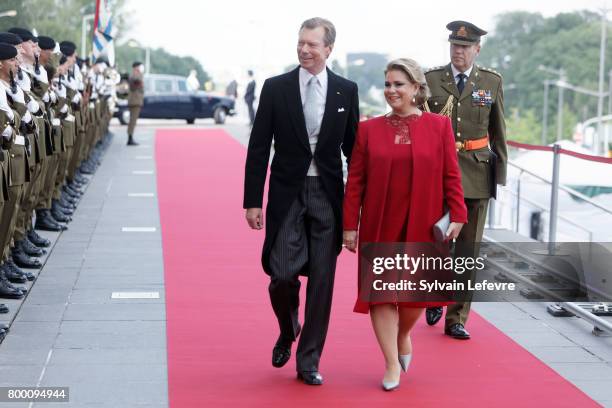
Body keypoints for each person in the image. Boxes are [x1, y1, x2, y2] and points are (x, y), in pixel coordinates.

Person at [243, 17, 359, 386]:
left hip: (328, 195)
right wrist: (252, 200)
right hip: (286, 193)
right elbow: (259, 146)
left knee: (322, 283)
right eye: (301, 43)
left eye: (312, 44)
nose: (304, 50)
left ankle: (308, 360)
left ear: (328, 49)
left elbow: (354, 152)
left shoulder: (345, 90)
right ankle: (288, 327)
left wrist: (355, 210)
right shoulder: (276, 88)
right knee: (281, 274)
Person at [343, 58, 467, 391]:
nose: (391, 91)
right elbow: (355, 182)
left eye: (399, 84)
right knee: (381, 295)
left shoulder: (438, 127)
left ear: (416, 88)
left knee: (415, 297)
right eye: (388, 84)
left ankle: (403, 335)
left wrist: (458, 214)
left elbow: (451, 174)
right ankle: (390, 363)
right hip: (380, 221)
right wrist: (349, 226)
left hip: (423, 221)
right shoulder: (368, 130)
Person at [424, 21, 507, 340]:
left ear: (477, 49)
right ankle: (434, 295)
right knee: (437, 243)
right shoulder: (432, 80)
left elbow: (499, 131)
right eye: (454, 46)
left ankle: (456, 318)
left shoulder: (491, 82)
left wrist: (498, 177)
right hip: (438, 174)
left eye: (464, 46)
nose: (458, 51)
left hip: (475, 173)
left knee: (468, 250)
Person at [127, 61, 144, 146]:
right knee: (132, 120)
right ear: (136, 67)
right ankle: (130, 138)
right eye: (140, 67)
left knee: (133, 120)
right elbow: (137, 81)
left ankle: (130, 136)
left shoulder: (136, 74)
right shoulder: (134, 75)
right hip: (134, 101)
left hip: (136, 100)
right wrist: (139, 73)